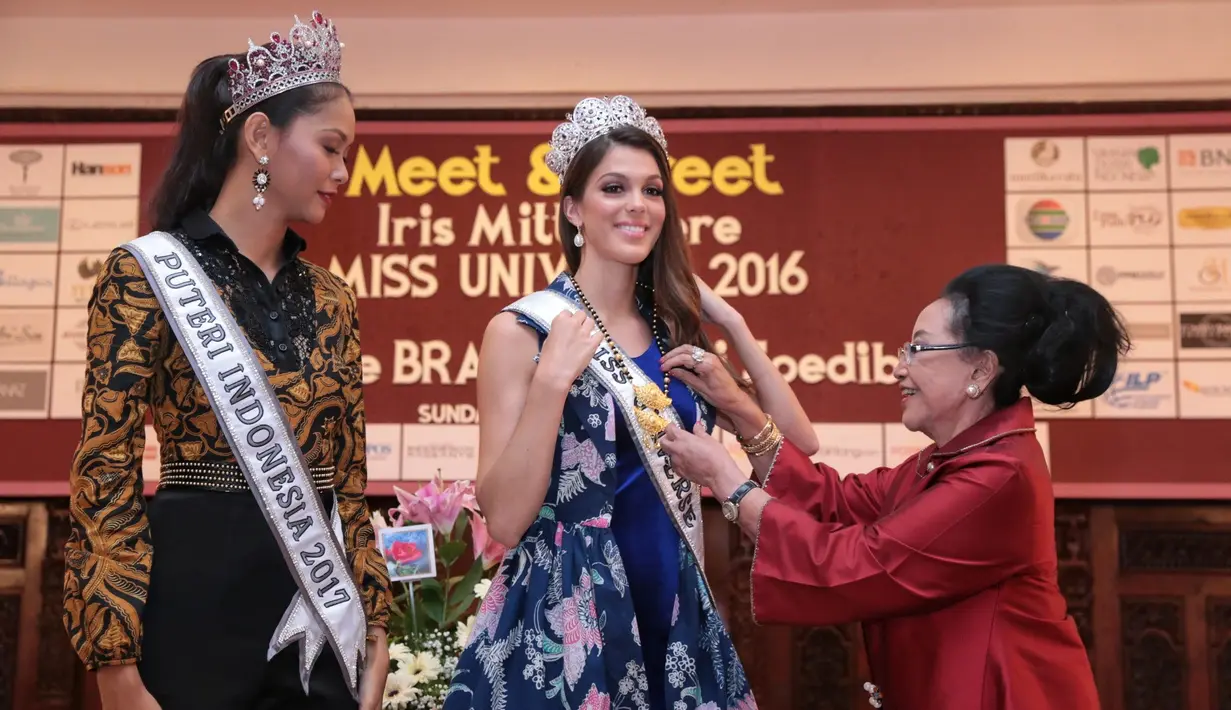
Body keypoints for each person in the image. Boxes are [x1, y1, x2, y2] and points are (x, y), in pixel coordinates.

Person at [444, 95, 818, 710]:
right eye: (614, 187)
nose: (637, 206)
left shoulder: (674, 330)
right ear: (573, 210)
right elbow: (505, 520)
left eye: (652, 190)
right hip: (568, 614)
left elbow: (798, 444)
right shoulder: (522, 331)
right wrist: (549, 386)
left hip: (673, 602)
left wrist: (733, 322)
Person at [61, 12, 390, 710]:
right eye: (331, 147)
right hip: (192, 594)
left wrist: (378, 628)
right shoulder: (143, 273)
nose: (343, 171)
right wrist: (114, 661)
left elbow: (351, 484)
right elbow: (105, 475)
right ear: (262, 137)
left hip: (317, 611)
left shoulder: (334, 299)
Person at [659, 264, 1127, 710]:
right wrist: (742, 412)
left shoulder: (1000, 475)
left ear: (981, 371)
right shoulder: (961, 455)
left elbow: (859, 563)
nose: (899, 368)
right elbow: (835, 502)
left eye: (919, 350)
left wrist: (727, 482)